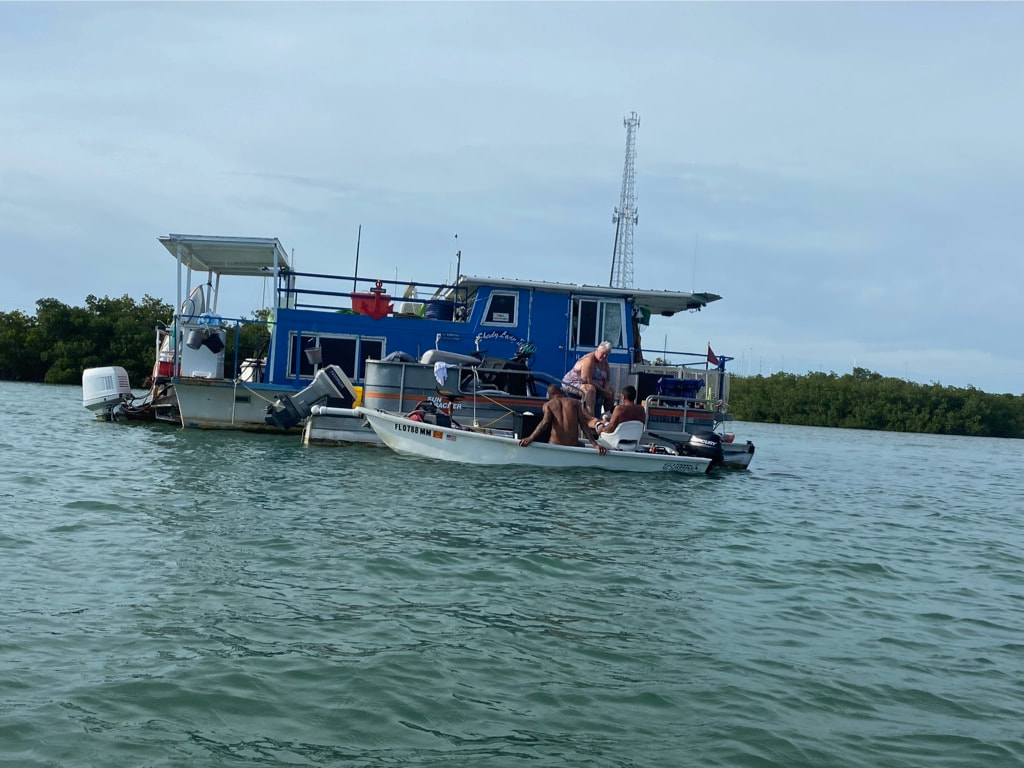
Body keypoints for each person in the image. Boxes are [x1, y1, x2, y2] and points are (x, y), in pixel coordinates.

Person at [519, 384, 606, 454]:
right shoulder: (575, 403)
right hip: (573, 445)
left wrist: (530, 438)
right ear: (561, 392)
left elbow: (544, 423)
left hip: (555, 444)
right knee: (581, 444)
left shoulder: (548, 405)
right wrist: (595, 445)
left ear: (550, 395)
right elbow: (583, 425)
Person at [561, 341, 614, 419]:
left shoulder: (605, 363)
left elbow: (607, 380)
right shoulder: (589, 359)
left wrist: (606, 390)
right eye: (603, 353)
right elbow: (586, 379)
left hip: (596, 385)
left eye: (607, 354)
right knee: (590, 389)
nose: (604, 356)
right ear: (597, 350)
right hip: (573, 383)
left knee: (611, 392)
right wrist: (603, 390)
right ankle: (590, 417)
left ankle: (607, 416)